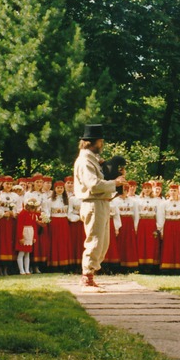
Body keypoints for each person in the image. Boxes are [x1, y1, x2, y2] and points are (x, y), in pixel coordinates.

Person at [73, 124, 125, 290]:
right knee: (95, 241)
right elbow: (93, 185)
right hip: (93, 203)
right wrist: (115, 183)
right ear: (92, 142)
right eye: (100, 141)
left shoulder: (92, 159)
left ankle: (90, 274)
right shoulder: (84, 161)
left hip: (101, 202)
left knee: (102, 243)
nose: (102, 145)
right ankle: (86, 276)